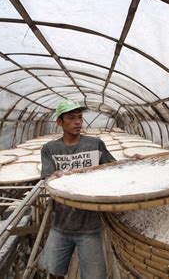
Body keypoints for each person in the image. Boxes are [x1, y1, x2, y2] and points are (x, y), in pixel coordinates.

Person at [40, 99, 116, 279]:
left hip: (91, 226)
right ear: (59, 122)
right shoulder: (50, 149)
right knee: (53, 272)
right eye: (71, 118)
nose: (78, 122)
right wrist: (58, 176)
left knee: (94, 276)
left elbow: (113, 170)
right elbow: (48, 178)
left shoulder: (95, 144)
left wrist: (132, 163)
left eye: (80, 118)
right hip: (61, 224)